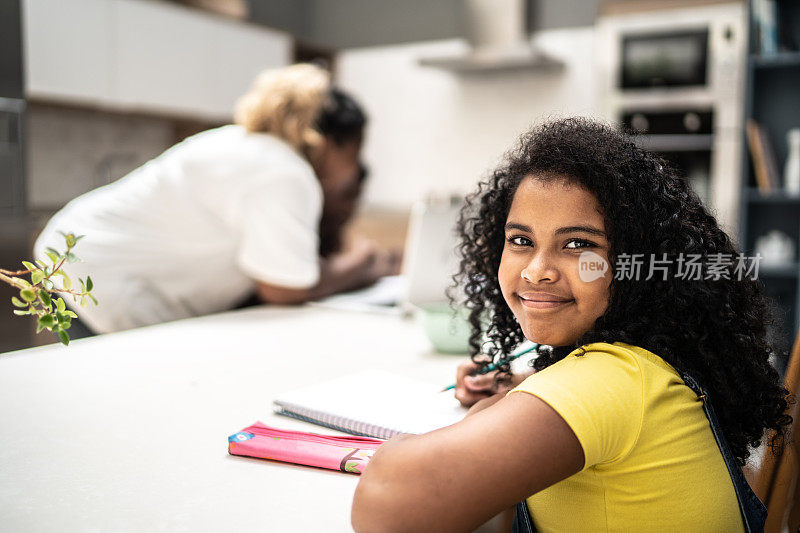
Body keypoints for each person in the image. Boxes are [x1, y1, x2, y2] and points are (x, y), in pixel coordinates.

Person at [351, 118, 792, 532]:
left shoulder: (609, 380)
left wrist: (499, 411)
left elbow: (385, 503)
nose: (537, 270)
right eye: (521, 241)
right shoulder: (644, 367)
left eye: (578, 244)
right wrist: (518, 388)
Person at [34, 64, 397, 334]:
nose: (354, 169)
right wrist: (362, 263)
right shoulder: (284, 172)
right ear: (331, 143)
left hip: (73, 258)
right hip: (96, 277)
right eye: (355, 151)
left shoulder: (243, 144)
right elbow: (284, 290)